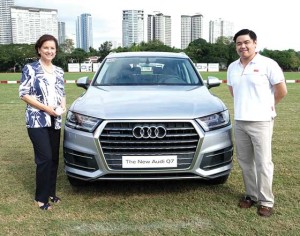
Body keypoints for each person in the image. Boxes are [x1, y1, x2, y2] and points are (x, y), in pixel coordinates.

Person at [227, 29, 287, 217]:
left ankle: (266, 201)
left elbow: (281, 90)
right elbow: (233, 91)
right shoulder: (232, 67)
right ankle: (251, 195)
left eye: (246, 42)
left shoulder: (268, 64)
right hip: (240, 121)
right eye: (238, 43)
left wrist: (267, 107)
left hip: (261, 121)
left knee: (263, 163)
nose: (242, 46)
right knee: (245, 162)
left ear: (255, 43)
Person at [19, 34, 66, 210]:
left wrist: (63, 106)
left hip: (55, 120)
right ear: (39, 49)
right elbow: (24, 94)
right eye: (46, 47)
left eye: (52, 48)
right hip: (37, 120)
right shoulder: (30, 69)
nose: (49, 51)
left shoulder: (59, 71)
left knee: (54, 159)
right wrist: (46, 108)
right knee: (44, 158)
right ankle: (41, 198)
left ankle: (51, 193)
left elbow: (62, 94)